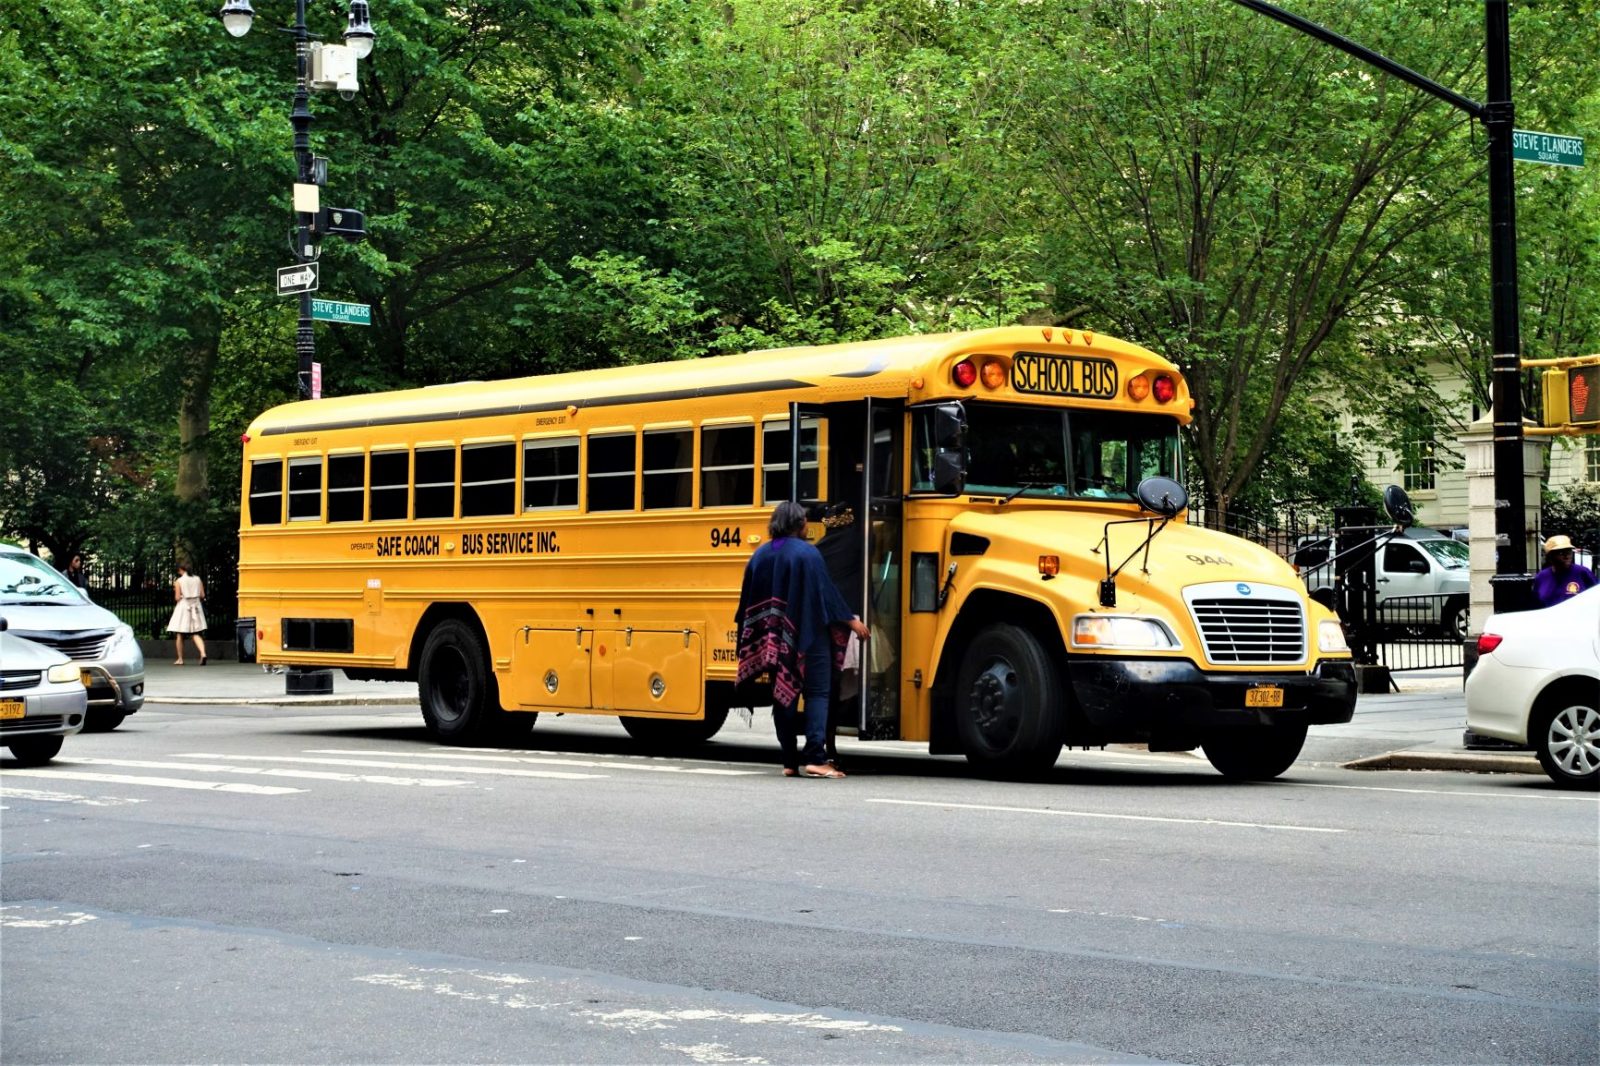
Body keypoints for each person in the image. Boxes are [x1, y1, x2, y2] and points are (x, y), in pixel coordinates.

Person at [735, 501, 869, 779]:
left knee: (783, 694)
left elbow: (747, 600)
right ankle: (816, 758)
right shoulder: (807, 554)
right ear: (798, 524)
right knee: (817, 693)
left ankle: (788, 760)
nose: (808, 525)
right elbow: (825, 593)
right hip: (809, 634)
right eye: (805, 521)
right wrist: (851, 621)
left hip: (774, 638)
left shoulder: (759, 555)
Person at [1533, 534, 1597, 608]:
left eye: (1569, 551)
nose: (1567, 556)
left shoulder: (1582, 572)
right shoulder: (1542, 577)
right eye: (1561, 553)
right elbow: (1537, 603)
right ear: (1550, 556)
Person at [167, 563, 209, 665]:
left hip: (184, 607)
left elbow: (177, 598)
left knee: (180, 633)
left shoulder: (179, 581)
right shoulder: (198, 579)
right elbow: (202, 595)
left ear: (181, 570)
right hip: (196, 607)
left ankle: (180, 659)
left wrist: (182, 596)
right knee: (196, 633)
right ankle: (203, 653)